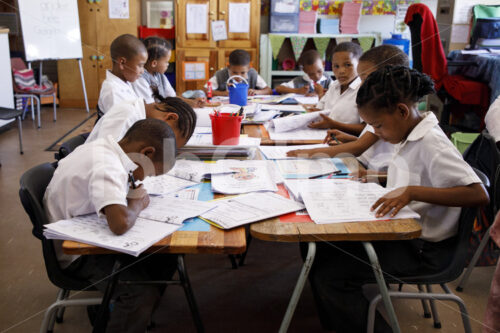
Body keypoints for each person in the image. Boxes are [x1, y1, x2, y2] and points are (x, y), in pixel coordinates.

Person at [308, 66, 489, 333]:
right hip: (402, 233)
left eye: (378, 126)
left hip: (423, 250)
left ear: (402, 111)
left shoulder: (431, 142)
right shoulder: (409, 133)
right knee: (320, 252)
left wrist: (412, 192)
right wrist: (375, 175)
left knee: (329, 275)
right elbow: (413, 173)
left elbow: (478, 194)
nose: (376, 133)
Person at [44, 119, 179, 333]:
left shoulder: (105, 146)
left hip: (83, 234)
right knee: (139, 294)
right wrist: (136, 204)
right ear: (147, 153)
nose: (146, 179)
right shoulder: (108, 166)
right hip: (79, 254)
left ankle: (114, 312)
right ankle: (127, 311)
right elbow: (120, 224)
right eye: (151, 173)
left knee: (166, 256)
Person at [287, 45, 409, 171]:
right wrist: (348, 138)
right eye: (336, 66)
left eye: (365, 79)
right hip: (361, 164)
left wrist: (310, 152)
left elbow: (360, 147)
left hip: (366, 167)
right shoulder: (378, 105)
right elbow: (371, 142)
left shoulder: (386, 112)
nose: (361, 85)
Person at [86, 96, 196, 149]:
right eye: (168, 142)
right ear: (170, 117)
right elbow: (105, 161)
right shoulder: (127, 115)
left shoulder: (141, 118)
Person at [307, 42, 365, 136]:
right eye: (336, 66)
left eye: (347, 65)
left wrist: (334, 125)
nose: (341, 71)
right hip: (324, 136)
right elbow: (321, 110)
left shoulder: (364, 90)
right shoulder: (334, 85)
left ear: (360, 65)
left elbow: (366, 129)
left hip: (347, 142)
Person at [132, 36, 205, 108]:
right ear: (154, 63)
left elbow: (172, 97)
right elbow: (151, 107)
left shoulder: (160, 76)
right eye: (166, 61)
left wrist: (192, 102)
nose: (168, 64)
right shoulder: (140, 78)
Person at [98, 34, 148, 116]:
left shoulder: (125, 81)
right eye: (140, 65)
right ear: (122, 63)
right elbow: (120, 125)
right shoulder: (112, 91)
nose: (143, 71)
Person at [205, 49, 272, 96]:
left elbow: (269, 90)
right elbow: (206, 90)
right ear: (228, 67)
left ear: (249, 68)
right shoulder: (220, 75)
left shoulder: (253, 74)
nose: (239, 76)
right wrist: (225, 93)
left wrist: (256, 92)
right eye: (235, 72)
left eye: (243, 73)